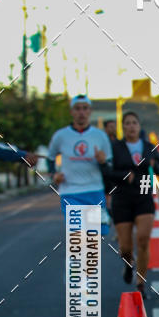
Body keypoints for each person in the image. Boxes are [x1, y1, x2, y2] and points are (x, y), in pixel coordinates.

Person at [106, 110, 159, 298]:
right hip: (122, 198)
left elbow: (158, 166)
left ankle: (140, 283)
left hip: (143, 197)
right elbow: (107, 171)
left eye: (134, 123)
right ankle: (128, 264)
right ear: (123, 127)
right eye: (127, 123)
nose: (131, 126)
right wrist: (125, 176)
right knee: (125, 247)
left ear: (139, 126)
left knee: (142, 240)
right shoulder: (114, 148)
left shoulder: (149, 146)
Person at [47, 94, 112, 235]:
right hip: (71, 193)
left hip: (94, 191)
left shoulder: (100, 136)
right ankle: (78, 256)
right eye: (77, 109)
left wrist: (102, 162)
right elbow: (50, 158)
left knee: (93, 237)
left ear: (90, 111)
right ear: (72, 112)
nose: (81, 112)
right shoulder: (61, 135)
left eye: (85, 108)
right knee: (78, 237)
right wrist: (54, 175)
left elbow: (109, 168)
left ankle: (87, 256)